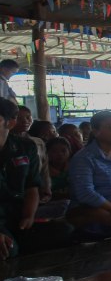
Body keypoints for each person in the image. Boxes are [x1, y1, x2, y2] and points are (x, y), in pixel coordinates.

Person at [0, 99, 72, 257]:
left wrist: (29, 216)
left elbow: (31, 186)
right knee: (9, 249)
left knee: (65, 232)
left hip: (18, 215)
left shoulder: (25, 147)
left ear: (10, 123)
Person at [45, 137, 72, 201]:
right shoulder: (43, 171)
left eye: (63, 150)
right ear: (47, 153)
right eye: (54, 151)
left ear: (70, 152)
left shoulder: (76, 167)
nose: (60, 154)